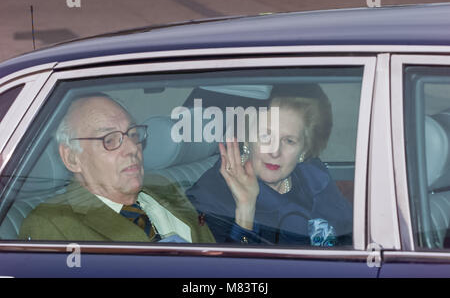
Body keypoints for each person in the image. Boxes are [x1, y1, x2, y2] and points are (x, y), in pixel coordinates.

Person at [19, 94, 215, 243]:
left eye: (132, 133)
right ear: (72, 158)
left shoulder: (163, 186)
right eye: (110, 140)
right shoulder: (51, 224)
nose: (132, 148)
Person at [186, 85, 352, 245]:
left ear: (304, 149)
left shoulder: (314, 176)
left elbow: (350, 236)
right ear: (247, 137)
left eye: (289, 141)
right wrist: (245, 209)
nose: (275, 152)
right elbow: (220, 269)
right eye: (265, 136)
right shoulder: (211, 195)